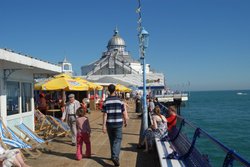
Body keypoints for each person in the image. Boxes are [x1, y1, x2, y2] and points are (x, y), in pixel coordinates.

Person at [102, 84, 128, 166]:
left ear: (108, 90)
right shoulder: (119, 101)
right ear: (115, 90)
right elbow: (124, 112)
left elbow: (105, 114)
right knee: (118, 140)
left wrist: (103, 125)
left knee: (112, 140)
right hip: (118, 123)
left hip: (109, 123)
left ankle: (113, 155)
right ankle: (115, 157)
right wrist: (125, 121)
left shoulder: (106, 101)